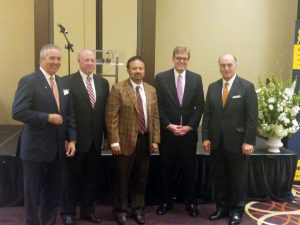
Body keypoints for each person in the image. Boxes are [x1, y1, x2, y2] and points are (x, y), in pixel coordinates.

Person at [12, 44, 76, 225]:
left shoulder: (63, 83)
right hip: (35, 151)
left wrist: (72, 139)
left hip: (58, 151)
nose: (56, 62)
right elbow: (18, 112)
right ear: (42, 60)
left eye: (59, 59)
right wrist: (47, 117)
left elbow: (69, 114)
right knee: (32, 196)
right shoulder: (29, 81)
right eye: (52, 58)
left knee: (54, 194)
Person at [202, 54, 258, 225]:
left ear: (236, 65)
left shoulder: (247, 87)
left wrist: (249, 141)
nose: (226, 68)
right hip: (217, 142)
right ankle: (221, 208)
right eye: (223, 65)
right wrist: (205, 137)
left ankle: (236, 210)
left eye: (229, 65)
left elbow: (252, 117)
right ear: (219, 66)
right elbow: (208, 115)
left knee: (238, 180)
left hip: (239, 143)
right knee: (220, 178)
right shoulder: (212, 87)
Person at [105, 56, 160, 225]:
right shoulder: (118, 89)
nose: (138, 71)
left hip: (145, 140)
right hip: (124, 142)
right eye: (134, 68)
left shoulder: (151, 90)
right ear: (128, 70)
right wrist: (114, 142)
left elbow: (155, 117)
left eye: (141, 68)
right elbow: (111, 117)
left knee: (141, 178)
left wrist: (155, 140)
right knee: (122, 179)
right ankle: (120, 211)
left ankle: (137, 209)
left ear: (145, 70)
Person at [60, 49, 109, 225]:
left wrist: (107, 136)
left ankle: (88, 211)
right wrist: (68, 137)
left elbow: (105, 112)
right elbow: (65, 113)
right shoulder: (66, 81)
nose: (90, 63)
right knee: (70, 178)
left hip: (96, 141)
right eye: (86, 60)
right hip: (75, 141)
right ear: (78, 61)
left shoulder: (103, 83)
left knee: (91, 179)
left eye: (92, 60)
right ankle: (68, 213)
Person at [154, 45, 205, 217]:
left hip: (188, 135)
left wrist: (190, 126)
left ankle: (190, 203)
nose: (181, 61)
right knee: (166, 169)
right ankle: (166, 201)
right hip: (168, 134)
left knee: (189, 170)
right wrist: (168, 125)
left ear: (188, 60)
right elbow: (158, 105)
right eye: (178, 58)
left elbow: (200, 106)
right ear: (173, 58)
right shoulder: (161, 78)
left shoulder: (196, 79)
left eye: (185, 58)